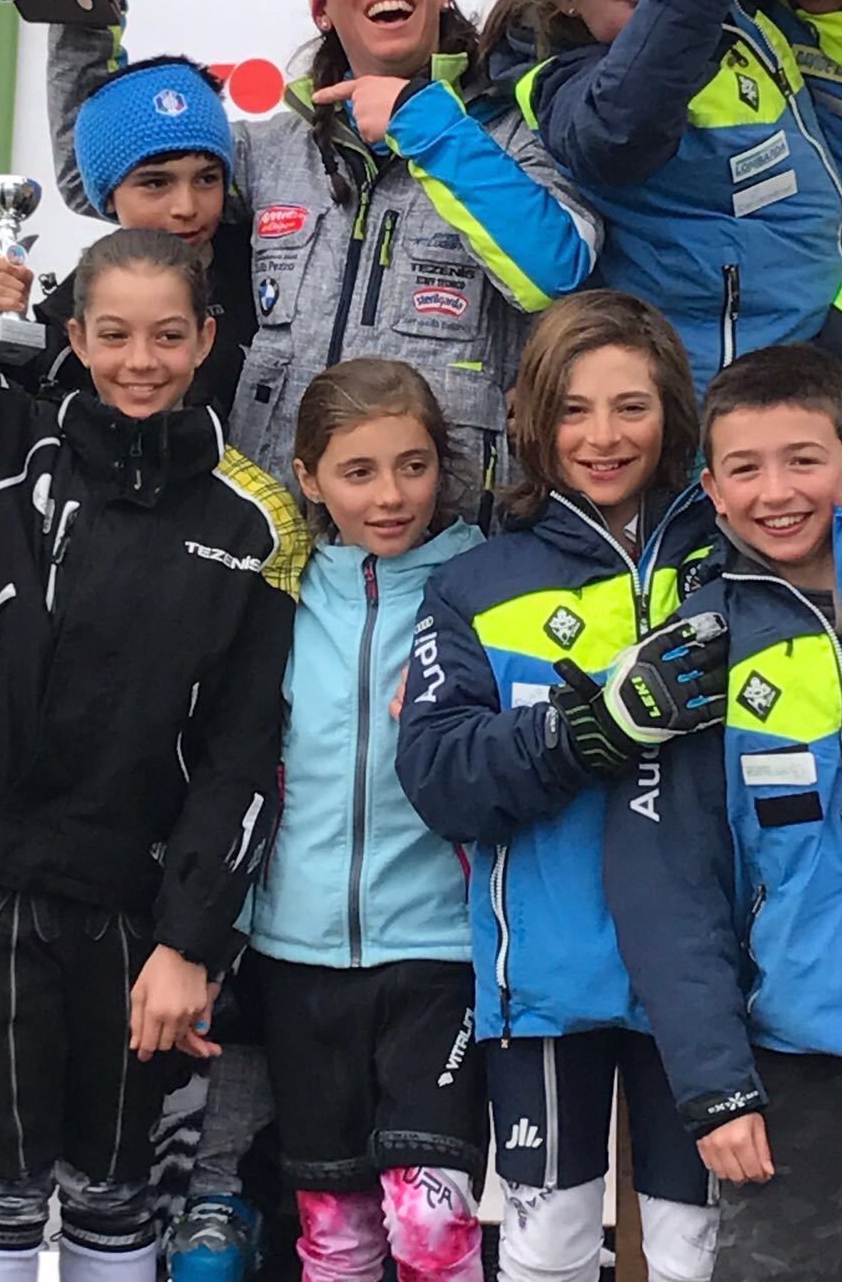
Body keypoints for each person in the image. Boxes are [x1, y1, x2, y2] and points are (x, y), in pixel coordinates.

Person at [0, 0, 308, 1282]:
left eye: (168, 336)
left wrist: (191, 941)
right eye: (112, 336)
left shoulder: (253, 518)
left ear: (210, 339)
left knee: (118, 1210)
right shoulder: (1, 447)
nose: (140, 361)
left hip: (137, 913)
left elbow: (242, 755)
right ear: (73, 336)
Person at [47, 0, 604, 525]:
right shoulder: (274, 151)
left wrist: (424, 123)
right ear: (323, 5)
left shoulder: (513, 131)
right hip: (273, 529)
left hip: (441, 534)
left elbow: (553, 270)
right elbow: (95, 176)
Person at [396, 292, 721, 1282]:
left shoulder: (734, 561)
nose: (603, 437)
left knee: (695, 1253)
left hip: (708, 984)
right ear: (537, 419)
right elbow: (439, 775)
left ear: (672, 410)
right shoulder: (477, 581)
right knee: (547, 1249)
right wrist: (583, 731)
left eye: (632, 406)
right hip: (546, 978)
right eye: (574, 410)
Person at [237, 356, 488, 1282]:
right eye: (359, 472)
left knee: (429, 1227)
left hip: (440, 952)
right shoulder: (283, 595)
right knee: (335, 1236)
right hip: (297, 956)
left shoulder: (482, 583)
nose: (391, 496)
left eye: (413, 466)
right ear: (309, 479)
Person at [479, 0, 839, 401]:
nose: (680, 1)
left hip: (807, 340)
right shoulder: (562, 86)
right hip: (719, 392)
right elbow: (622, 130)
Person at [606, 343, 842, 1282]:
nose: (776, 492)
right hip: (794, 1064)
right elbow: (666, 889)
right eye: (745, 468)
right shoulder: (698, 652)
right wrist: (714, 1087)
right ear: (710, 487)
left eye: (804, 460)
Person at [0, 54, 255, 416]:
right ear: (107, 195)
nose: (185, 206)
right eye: (156, 183)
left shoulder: (270, 270)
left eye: (207, 178)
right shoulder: (64, 319)